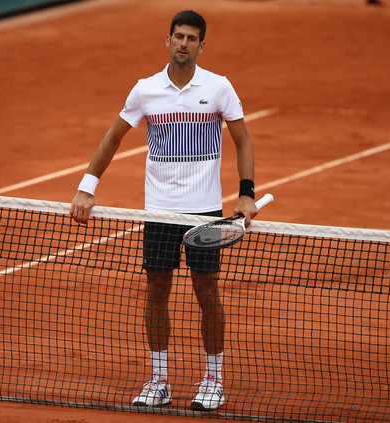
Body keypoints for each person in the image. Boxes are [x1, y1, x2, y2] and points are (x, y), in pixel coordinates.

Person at [70, 10, 259, 411]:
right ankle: (159, 379)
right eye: (178, 36)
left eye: (192, 38)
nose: (184, 44)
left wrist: (246, 194)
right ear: (168, 40)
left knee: (207, 292)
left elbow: (242, 141)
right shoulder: (145, 91)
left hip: (205, 212)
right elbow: (113, 138)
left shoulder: (219, 88)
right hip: (158, 212)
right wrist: (87, 188)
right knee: (156, 293)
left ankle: (212, 380)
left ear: (201, 45)